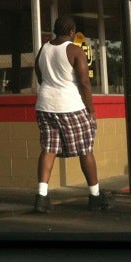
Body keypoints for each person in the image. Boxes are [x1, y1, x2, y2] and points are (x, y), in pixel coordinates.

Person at [33, 15, 110, 213]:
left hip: (44, 105)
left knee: (48, 149)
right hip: (71, 106)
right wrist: (91, 110)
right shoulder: (74, 50)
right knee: (85, 149)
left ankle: (41, 197)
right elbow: (85, 83)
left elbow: (40, 76)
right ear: (71, 32)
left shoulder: (43, 49)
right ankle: (94, 197)